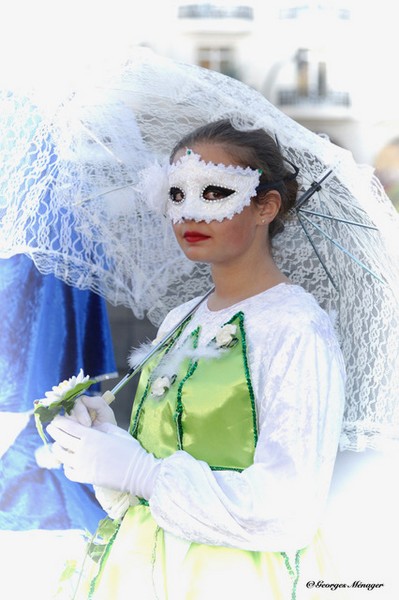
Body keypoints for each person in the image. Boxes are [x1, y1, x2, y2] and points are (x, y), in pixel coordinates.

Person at [47, 119, 347, 600]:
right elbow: (163, 462)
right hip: (139, 569)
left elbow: (289, 508)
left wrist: (141, 472)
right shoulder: (178, 321)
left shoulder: (295, 327)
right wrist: (109, 446)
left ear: (265, 206)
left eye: (213, 193)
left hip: (234, 578)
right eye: (176, 194)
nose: (189, 213)